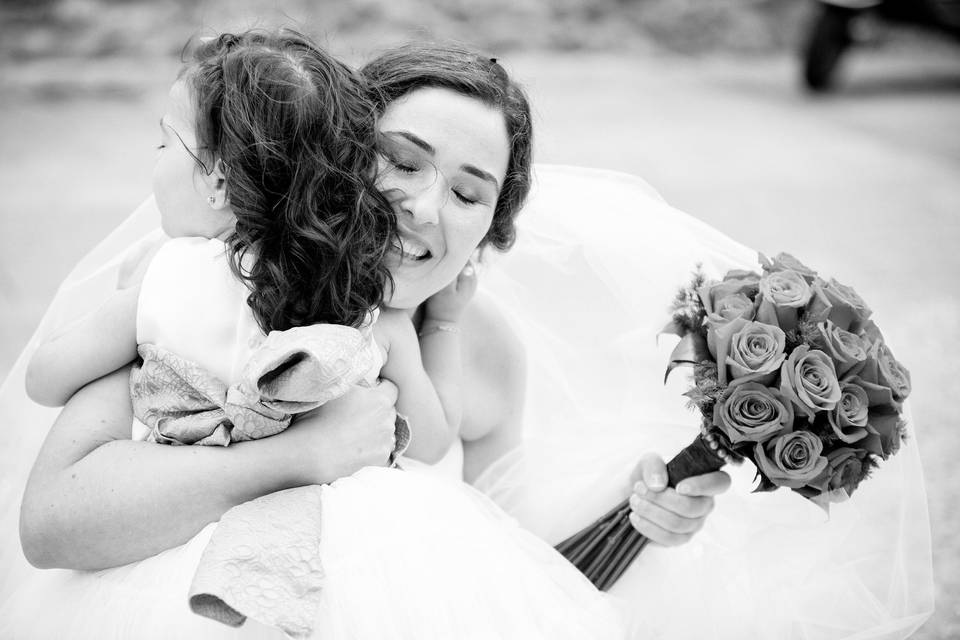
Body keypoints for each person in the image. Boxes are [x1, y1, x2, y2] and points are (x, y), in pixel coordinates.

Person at [0, 41, 932, 640]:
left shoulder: (483, 350)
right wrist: (306, 454)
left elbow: (504, 579)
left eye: (469, 191)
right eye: (399, 162)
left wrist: (638, 520)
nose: (420, 207)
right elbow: (52, 525)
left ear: (491, 231)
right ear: (323, 155)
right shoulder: (213, 279)